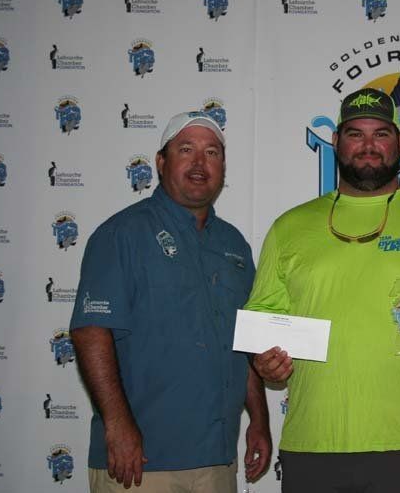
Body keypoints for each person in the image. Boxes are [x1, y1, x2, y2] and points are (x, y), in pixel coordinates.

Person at [247, 88, 400, 493]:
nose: (368, 146)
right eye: (355, 134)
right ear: (336, 141)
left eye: (380, 134)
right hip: (312, 444)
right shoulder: (289, 227)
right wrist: (265, 358)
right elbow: (263, 314)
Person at [70, 111, 271, 492]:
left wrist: (258, 421)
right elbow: (90, 332)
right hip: (142, 461)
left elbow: (245, 341)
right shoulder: (121, 234)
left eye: (212, 152)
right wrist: (118, 424)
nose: (200, 163)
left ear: (223, 167)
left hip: (216, 461)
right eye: (186, 149)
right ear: (161, 162)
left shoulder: (234, 245)